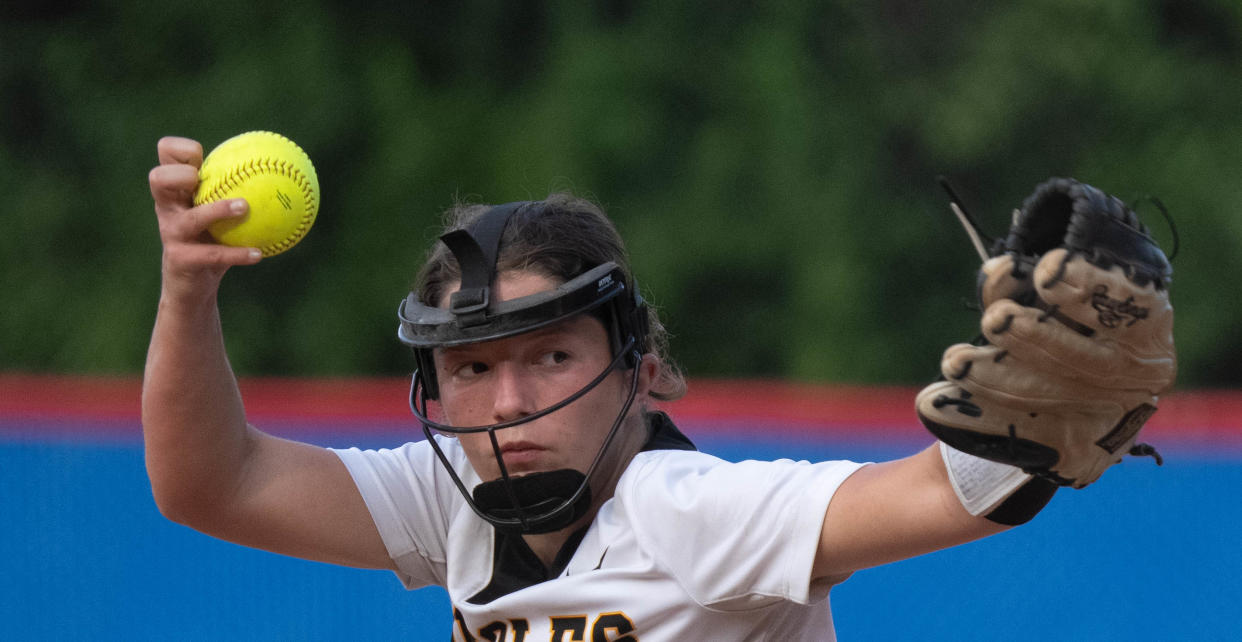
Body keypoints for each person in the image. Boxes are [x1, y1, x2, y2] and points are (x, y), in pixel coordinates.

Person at [144, 136, 1057, 640]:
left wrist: (1047, 406)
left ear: (641, 366)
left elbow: (943, 494)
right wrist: (188, 291)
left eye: (551, 357)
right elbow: (208, 485)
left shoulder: (694, 514)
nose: (507, 405)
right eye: (471, 367)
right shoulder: (453, 498)